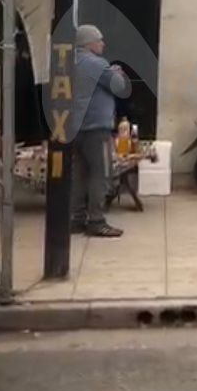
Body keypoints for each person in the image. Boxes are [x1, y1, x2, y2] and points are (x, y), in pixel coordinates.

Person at [70, 24, 130, 238]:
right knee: (101, 174)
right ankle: (96, 220)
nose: (103, 43)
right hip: (96, 128)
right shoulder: (96, 64)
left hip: (75, 128)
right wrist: (117, 72)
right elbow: (119, 87)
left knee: (79, 175)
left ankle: (76, 219)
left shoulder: (69, 62)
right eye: (100, 40)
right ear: (89, 43)